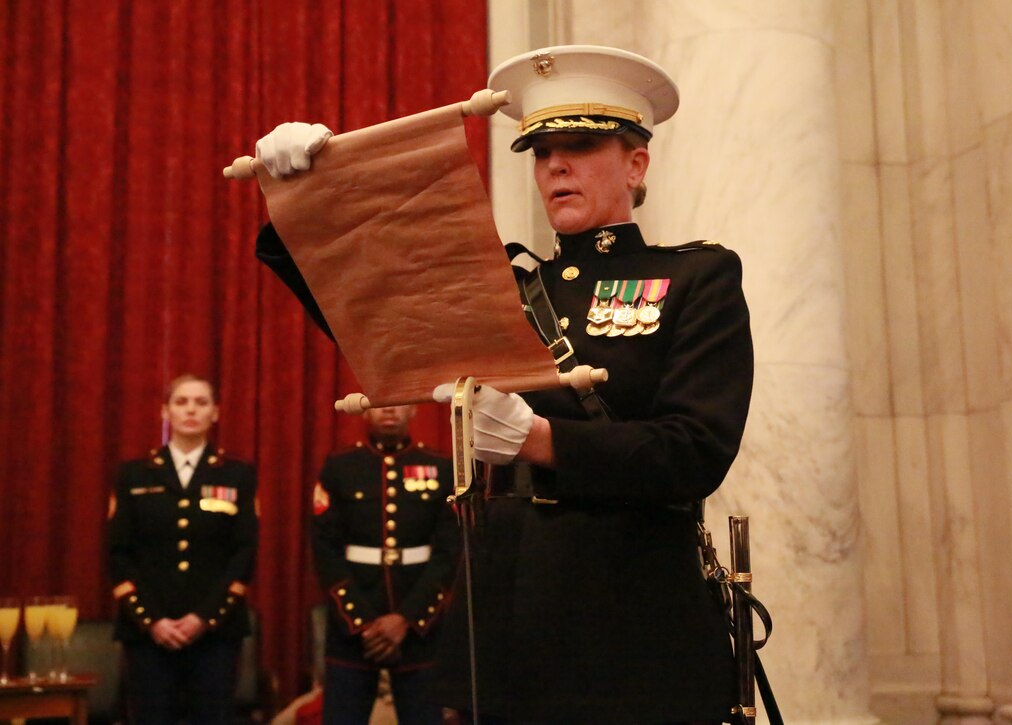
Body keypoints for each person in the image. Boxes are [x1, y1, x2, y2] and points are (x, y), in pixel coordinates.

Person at [250, 45, 753, 724]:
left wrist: (542, 441)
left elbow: (695, 452)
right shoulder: (503, 286)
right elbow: (372, 320)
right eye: (541, 153)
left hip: (634, 617)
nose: (555, 167)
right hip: (509, 611)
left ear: (636, 164)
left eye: (578, 145)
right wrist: (305, 198)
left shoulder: (697, 280)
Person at [107, 373, 259, 724]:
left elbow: (244, 552)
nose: (191, 410)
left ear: (215, 413)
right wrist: (153, 621)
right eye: (181, 402)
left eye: (201, 402)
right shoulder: (134, 475)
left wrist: (202, 618)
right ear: (166, 412)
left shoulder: (236, 474)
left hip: (215, 632)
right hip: (148, 633)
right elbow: (119, 554)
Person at [311, 404, 459, 725]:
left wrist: (407, 618)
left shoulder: (439, 466)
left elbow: (450, 550)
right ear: (364, 411)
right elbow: (325, 548)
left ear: (414, 410)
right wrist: (362, 621)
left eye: (399, 401)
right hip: (351, 626)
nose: (389, 409)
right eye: (379, 402)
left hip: (419, 625)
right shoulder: (340, 466)